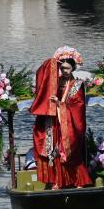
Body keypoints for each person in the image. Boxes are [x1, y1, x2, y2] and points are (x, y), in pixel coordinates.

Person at [31, 46, 93, 190]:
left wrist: (60, 105)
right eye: (62, 68)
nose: (65, 71)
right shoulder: (55, 82)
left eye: (68, 68)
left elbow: (78, 106)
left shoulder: (77, 85)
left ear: (73, 68)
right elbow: (43, 80)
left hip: (69, 124)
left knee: (70, 152)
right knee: (55, 152)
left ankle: (79, 181)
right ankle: (57, 181)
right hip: (55, 124)